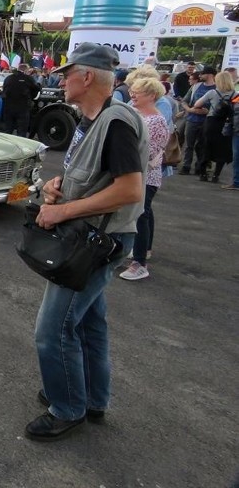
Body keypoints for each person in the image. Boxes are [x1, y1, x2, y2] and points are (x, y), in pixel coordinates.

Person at [26, 42, 147, 442]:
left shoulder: (115, 122)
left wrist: (61, 212)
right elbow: (96, 175)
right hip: (92, 237)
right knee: (90, 323)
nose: (60, 79)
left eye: (67, 73)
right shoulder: (89, 120)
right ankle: (92, 399)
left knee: (52, 331)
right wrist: (60, 187)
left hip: (98, 244)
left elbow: (131, 190)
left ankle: (68, 408)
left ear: (88, 76)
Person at [118, 77, 170, 281]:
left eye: (137, 92)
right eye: (132, 91)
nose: (132, 95)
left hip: (146, 176)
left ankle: (139, 263)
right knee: (140, 214)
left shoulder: (156, 121)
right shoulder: (140, 114)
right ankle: (137, 252)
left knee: (141, 215)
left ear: (151, 96)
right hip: (138, 174)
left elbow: (148, 154)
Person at [193, 70, 236, 183]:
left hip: (211, 123)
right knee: (222, 149)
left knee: (205, 147)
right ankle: (216, 175)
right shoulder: (235, 94)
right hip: (226, 124)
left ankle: (203, 174)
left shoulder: (212, 93)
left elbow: (197, 104)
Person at [179, 66, 217, 175]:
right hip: (192, 119)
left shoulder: (217, 88)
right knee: (188, 144)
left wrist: (208, 111)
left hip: (207, 121)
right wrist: (190, 109)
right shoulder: (196, 86)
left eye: (202, 74)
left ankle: (200, 167)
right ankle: (186, 166)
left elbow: (219, 106)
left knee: (202, 145)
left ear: (210, 75)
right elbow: (184, 101)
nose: (200, 76)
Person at [1, 63, 39, 136]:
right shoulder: (28, 78)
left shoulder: (8, 78)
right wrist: (31, 97)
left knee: (8, 131)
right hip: (23, 108)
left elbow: (4, 90)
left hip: (8, 108)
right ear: (25, 70)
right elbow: (36, 88)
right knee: (21, 131)